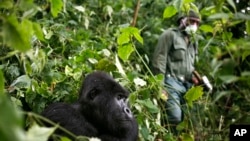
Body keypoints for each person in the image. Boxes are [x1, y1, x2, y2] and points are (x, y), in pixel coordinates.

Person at [152, 10, 201, 134]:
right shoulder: (170, 35)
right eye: (192, 21)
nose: (194, 25)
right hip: (170, 83)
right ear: (182, 20)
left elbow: (189, 65)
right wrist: (160, 85)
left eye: (197, 23)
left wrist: (195, 78)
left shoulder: (193, 41)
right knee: (174, 117)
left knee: (185, 122)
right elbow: (159, 61)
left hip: (187, 86)